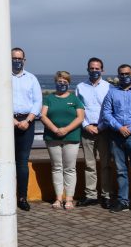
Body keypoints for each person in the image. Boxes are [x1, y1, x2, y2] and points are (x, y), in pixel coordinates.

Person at [101, 64, 131, 216]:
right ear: (118, 75)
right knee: (121, 171)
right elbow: (107, 113)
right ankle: (123, 201)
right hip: (117, 136)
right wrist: (119, 128)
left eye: (127, 73)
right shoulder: (111, 93)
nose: (124, 76)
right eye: (121, 74)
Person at [40, 71, 85, 210]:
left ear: (69, 82)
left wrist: (66, 129)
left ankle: (69, 199)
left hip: (71, 138)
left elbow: (80, 117)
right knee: (57, 167)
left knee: (70, 168)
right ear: (55, 82)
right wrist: (55, 129)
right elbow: (43, 115)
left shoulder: (75, 98)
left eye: (65, 81)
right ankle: (58, 198)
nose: (62, 83)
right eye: (60, 81)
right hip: (52, 137)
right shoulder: (49, 98)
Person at [75, 57, 112, 208]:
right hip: (87, 130)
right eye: (92, 68)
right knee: (89, 165)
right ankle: (91, 195)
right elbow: (78, 109)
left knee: (105, 164)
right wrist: (85, 125)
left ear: (102, 70)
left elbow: (110, 109)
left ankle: (106, 195)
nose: (95, 71)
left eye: (97, 68)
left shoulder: (109, 87)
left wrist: (101, 126)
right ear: (88, 69)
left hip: (104, 130)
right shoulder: (80, 87)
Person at [11, 47, 42, 211]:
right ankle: (7, 195)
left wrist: (28, 120)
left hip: (27, 123)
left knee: (22, 162)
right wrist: (13, 121)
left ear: (24, 60)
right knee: (7, 162)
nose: (17, 61)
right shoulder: (3, 76)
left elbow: (37, 102)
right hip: (8, 123)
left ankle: (22, 197)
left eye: (19, 58)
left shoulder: (31, 79)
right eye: (14, 58)